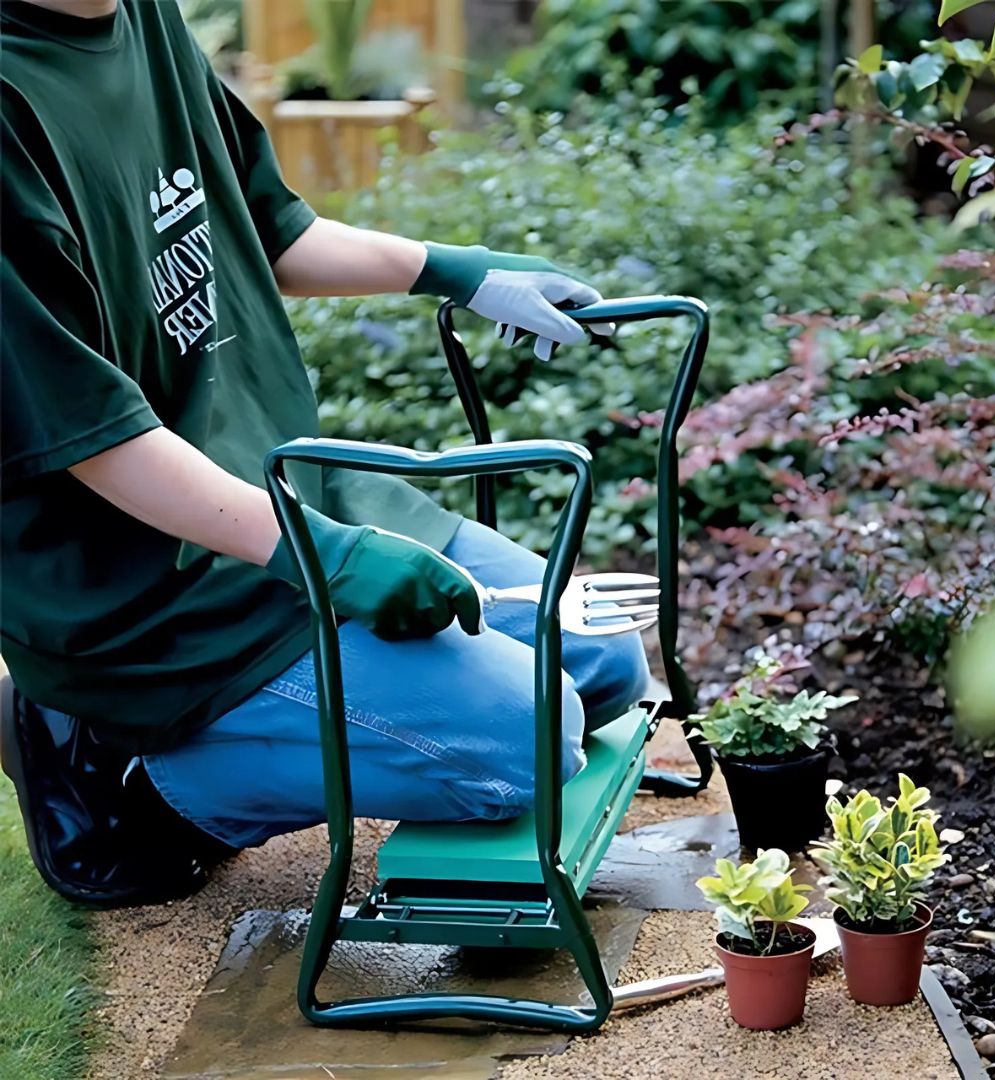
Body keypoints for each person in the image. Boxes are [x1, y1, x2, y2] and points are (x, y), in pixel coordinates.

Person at [0, 0, 648, 896]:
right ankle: (122, 774)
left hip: (283, 489)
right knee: (530, 742)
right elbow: (94, 437)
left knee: (605, 662)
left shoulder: (138, 13)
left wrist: (457, 270)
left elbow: (268, 229)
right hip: (148, 586)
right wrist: (326, 558)